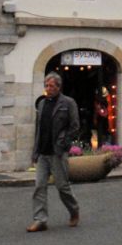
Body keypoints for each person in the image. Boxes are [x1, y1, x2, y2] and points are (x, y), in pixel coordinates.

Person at [28, 72, 80, 232]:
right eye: (46, 86)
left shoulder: (68, 103)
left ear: (58, 87)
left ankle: (74, 210)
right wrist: (35, 151)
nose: (48, 89)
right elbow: (39, 129)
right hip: (43, 152)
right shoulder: (42, 104)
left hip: (57, 152)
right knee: (39, 186)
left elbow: (75, 126)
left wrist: (64, 142)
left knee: (62, 187)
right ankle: (40, 220)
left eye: (51, 86)